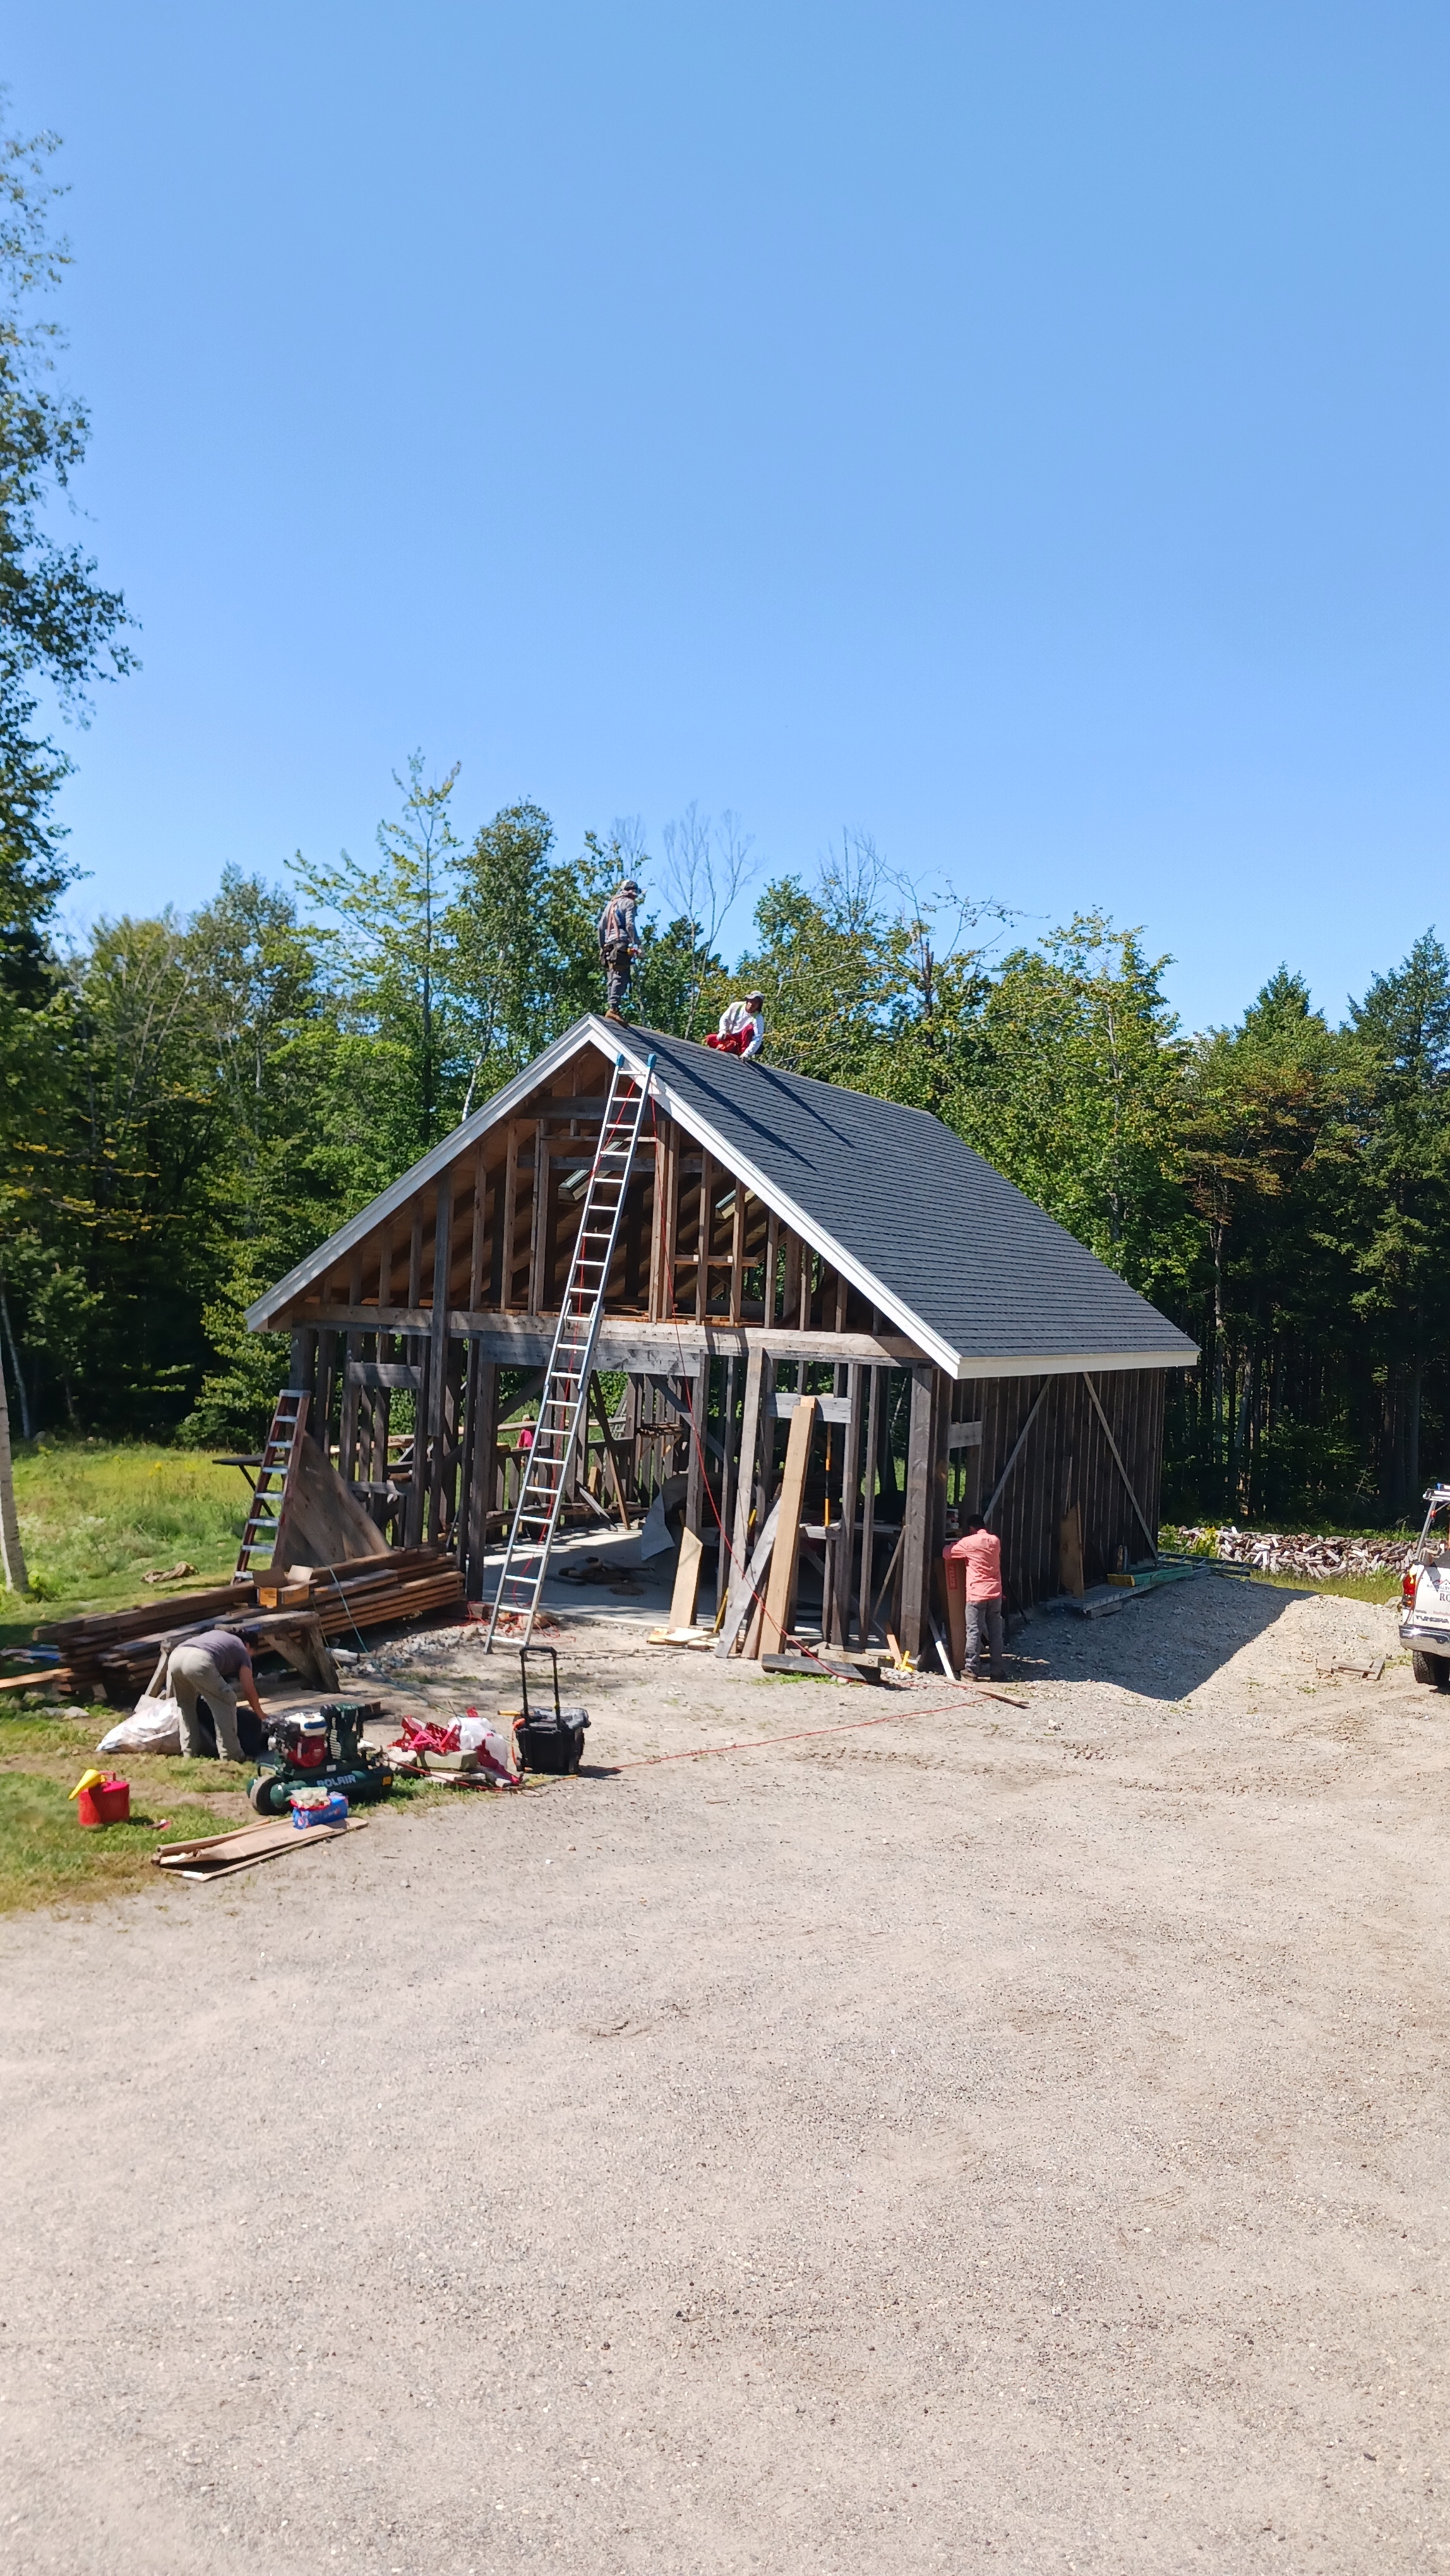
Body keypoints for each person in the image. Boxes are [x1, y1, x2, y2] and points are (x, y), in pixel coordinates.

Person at [147, 1628, 268, 1763]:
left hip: (176, 1657)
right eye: (252, 1654)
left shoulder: (219, 1639)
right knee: (227, 1700)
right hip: (198, 1660)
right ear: (248, 1645)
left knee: (187, 1705)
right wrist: (260, 1714)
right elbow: (249, 1689)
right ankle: (232, 1756)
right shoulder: (242, 1650)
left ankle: (190, 1753)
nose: (250, 1657)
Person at [942, 1513, 1007, 1680]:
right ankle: (997, 1670)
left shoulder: (968, 1542)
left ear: (971, 1528)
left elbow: (947, 1554)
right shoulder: (995, 1541)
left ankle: (971, 1669)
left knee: (974, 1632)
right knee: (995, 1632)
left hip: (976, 1594)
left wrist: (956, 1543)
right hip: (995, 1593)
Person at [597, 880, 642, 1023]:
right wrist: (637, 943)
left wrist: (603, 946)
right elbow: (629, 924)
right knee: (620, 975)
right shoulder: (629, 903)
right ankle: (614, 1009)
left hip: (609, 945)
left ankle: (613, 1007)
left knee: (612, 976)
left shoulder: (610, 904)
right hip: (621, 944)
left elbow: (600, 927)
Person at [706, 991, 765, 1060]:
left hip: (743, 1045)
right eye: (752, 1001)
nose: (752, 1004)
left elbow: (757, 1038)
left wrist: (748, 1053)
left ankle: (740, 1052)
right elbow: (724, 1018)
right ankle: (729, 1047)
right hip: (730, 1038)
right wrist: (722, 1031)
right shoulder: (736, 1006)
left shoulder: (758, 1018)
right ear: (748, 1000)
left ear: (759, 1005)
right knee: (710, 1039)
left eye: (756, 1003)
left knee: (749, 1029)